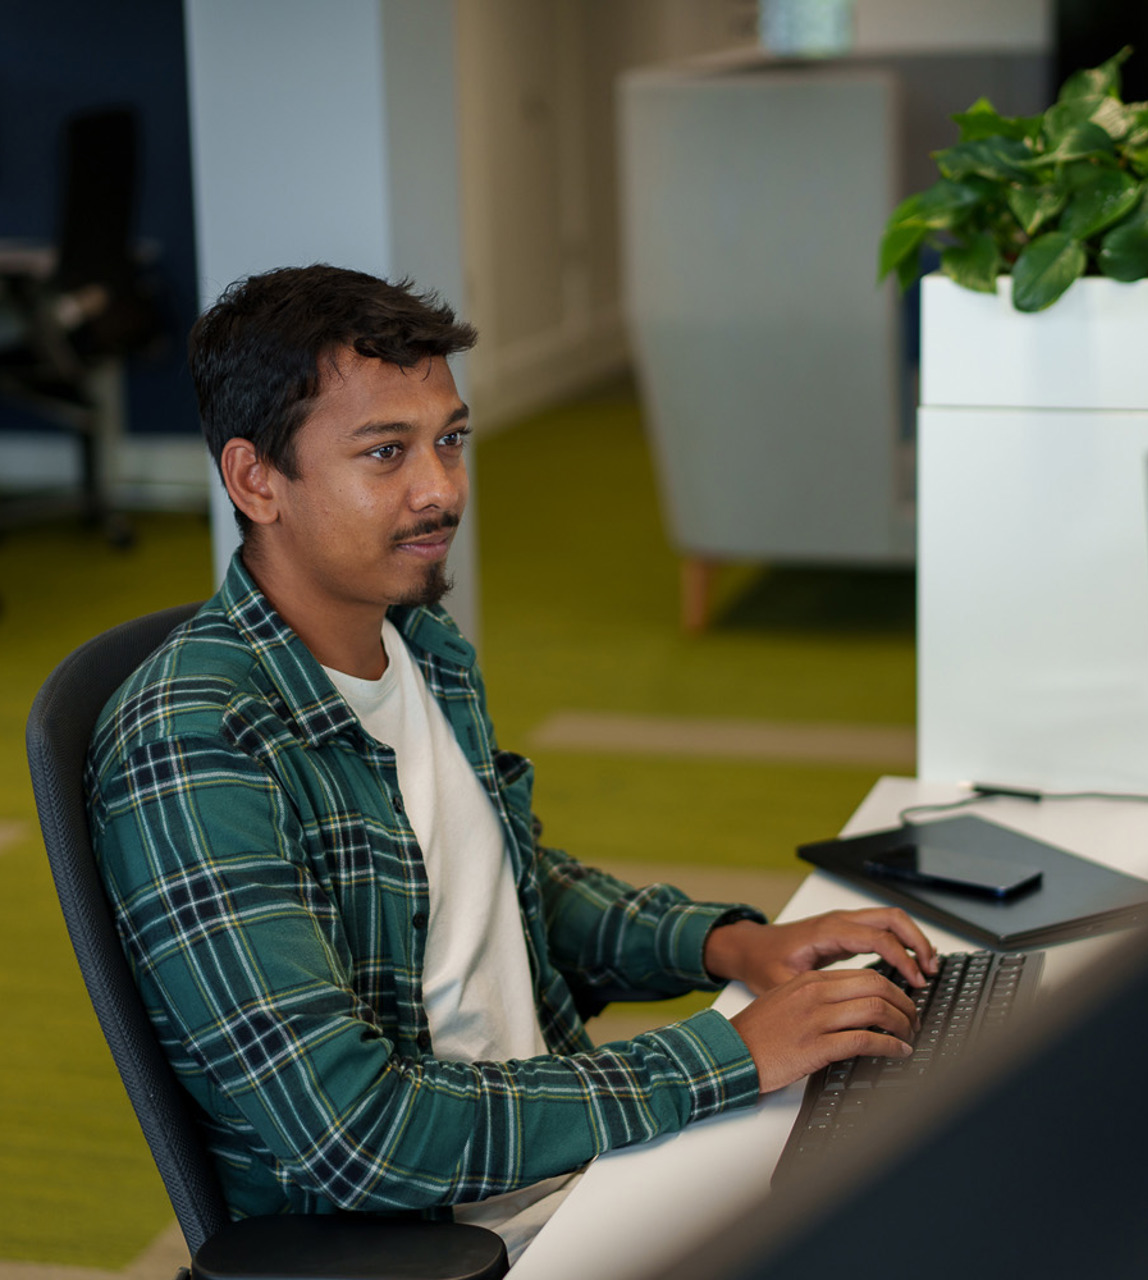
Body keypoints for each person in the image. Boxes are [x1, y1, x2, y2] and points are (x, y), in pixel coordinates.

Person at [87, 264, 937, 1262]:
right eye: (385, 453)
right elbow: (355, 1134)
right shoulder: (194, 741)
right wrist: (724, 1055)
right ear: (254, 480)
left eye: (449, 440)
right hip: (443, 1237)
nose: (440, 490)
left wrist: (728, 946)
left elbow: (498, 884)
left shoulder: (420, 643)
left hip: (576, 1150)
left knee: (939, 1163)